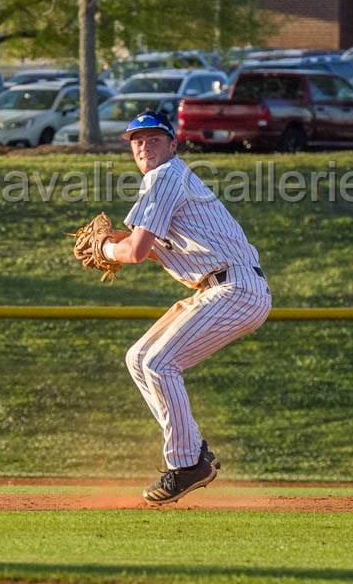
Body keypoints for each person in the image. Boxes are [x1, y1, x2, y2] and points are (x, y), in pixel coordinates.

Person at [96, 109, 271, 504]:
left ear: (172, 144)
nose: (144, 146)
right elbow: (154, 247)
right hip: (225, 287)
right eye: (137, 140)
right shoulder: (172, 180)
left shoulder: (165, 176)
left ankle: (187, 463)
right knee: (139, 356)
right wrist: (123, 244)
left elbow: (136, 252)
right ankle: (194, 453)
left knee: (159, 363)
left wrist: (108, 248)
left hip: (235, 288)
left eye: (153, 138)